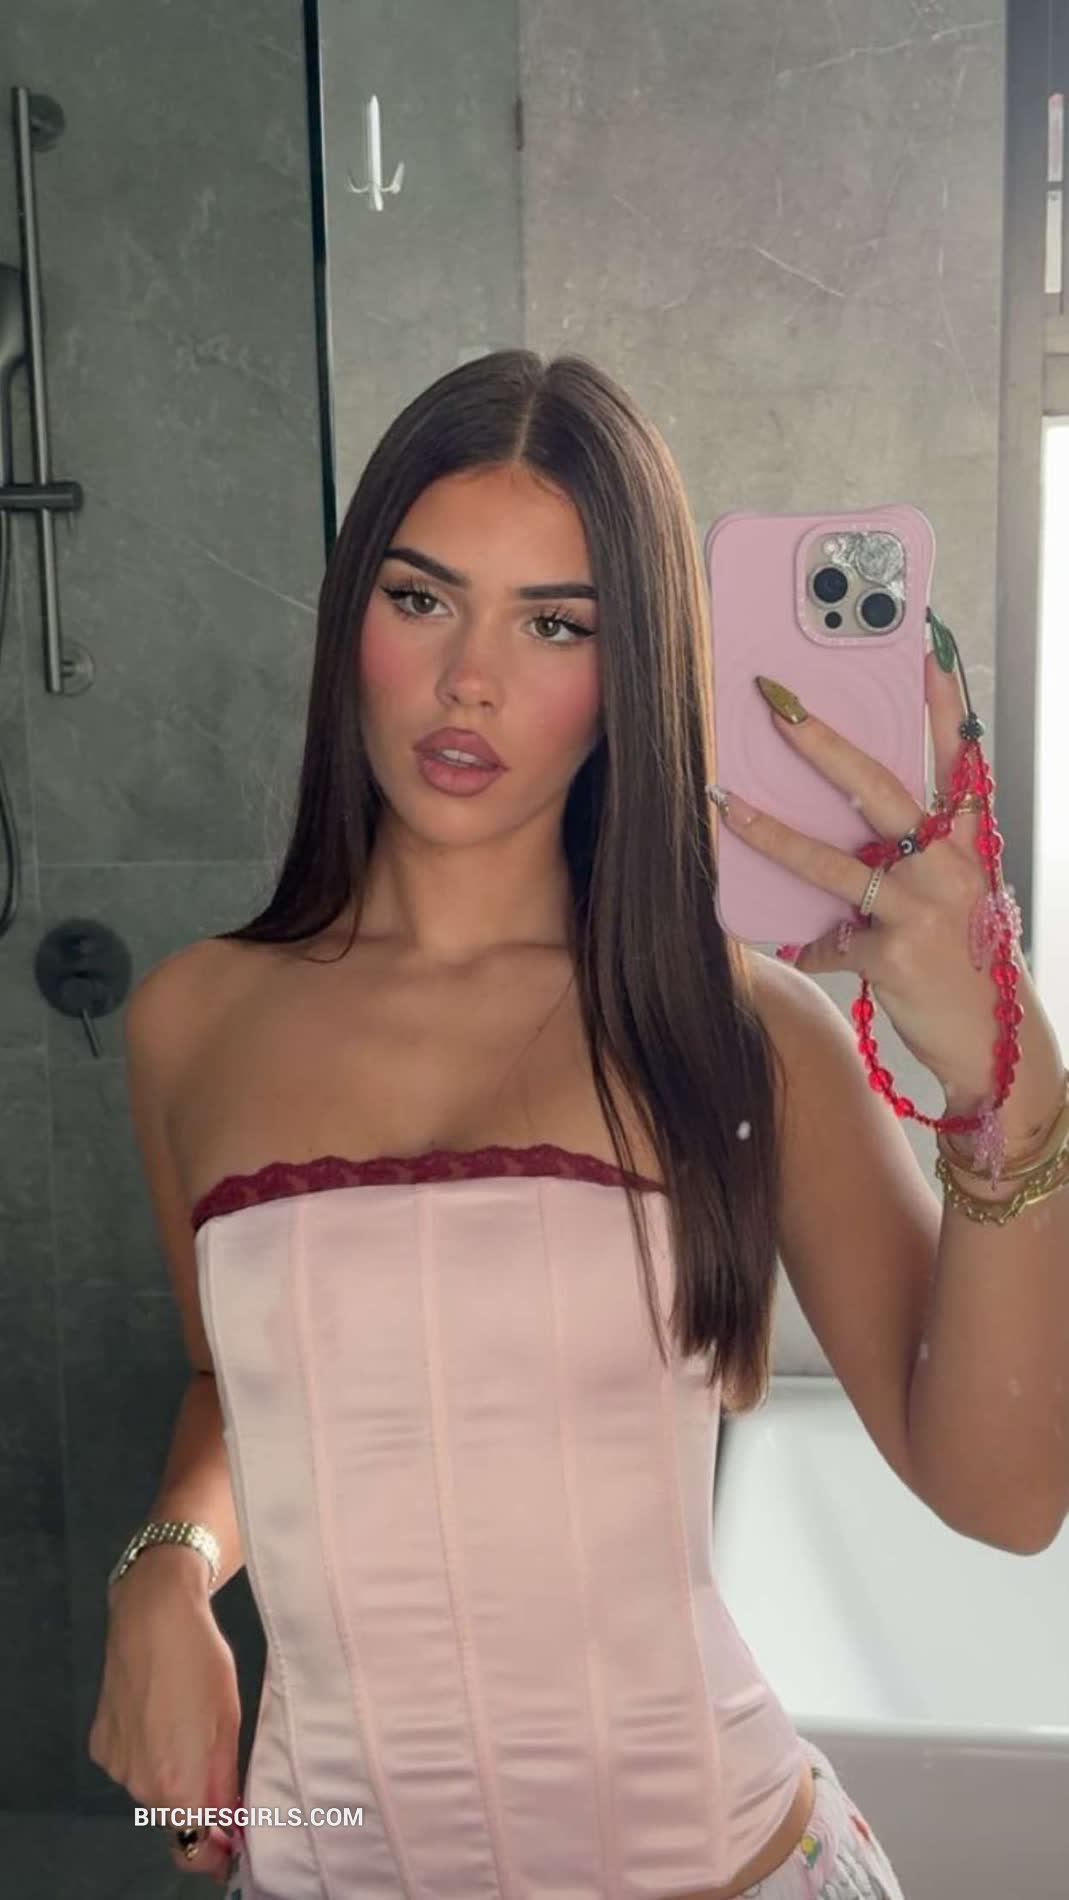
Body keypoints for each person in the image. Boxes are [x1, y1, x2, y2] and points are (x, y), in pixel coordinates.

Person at [88, 351, 1061, 1899]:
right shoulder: (191, 1022)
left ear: (631, 675)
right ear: (350, 619)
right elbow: (239, 1376)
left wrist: (1003, 1069)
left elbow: (1006, 1500)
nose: (469, 679)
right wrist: (167, 1571)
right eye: (421, 598)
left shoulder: (742, 1033)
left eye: (555, 624)